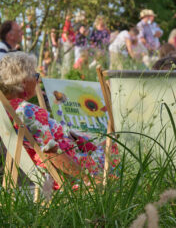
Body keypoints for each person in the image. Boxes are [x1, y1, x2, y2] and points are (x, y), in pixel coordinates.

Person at [0, 52, 119, 186]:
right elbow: (51, 154)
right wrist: (88, 179)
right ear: (23, 81)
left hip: (60, 168)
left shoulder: (7, 110)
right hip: (73, 171)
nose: (38, 81)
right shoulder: (26, 111)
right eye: (35, 76)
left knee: (108, 144)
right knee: (118, 148)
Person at [61, 13, 76, 78]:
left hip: (70, 44)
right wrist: (70, 42)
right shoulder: (67, 23)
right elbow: (65, 34)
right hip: (68, 44)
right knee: (68, 60)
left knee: (70, 60)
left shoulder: (70, 23)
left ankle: (68, 74)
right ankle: (66, 75)